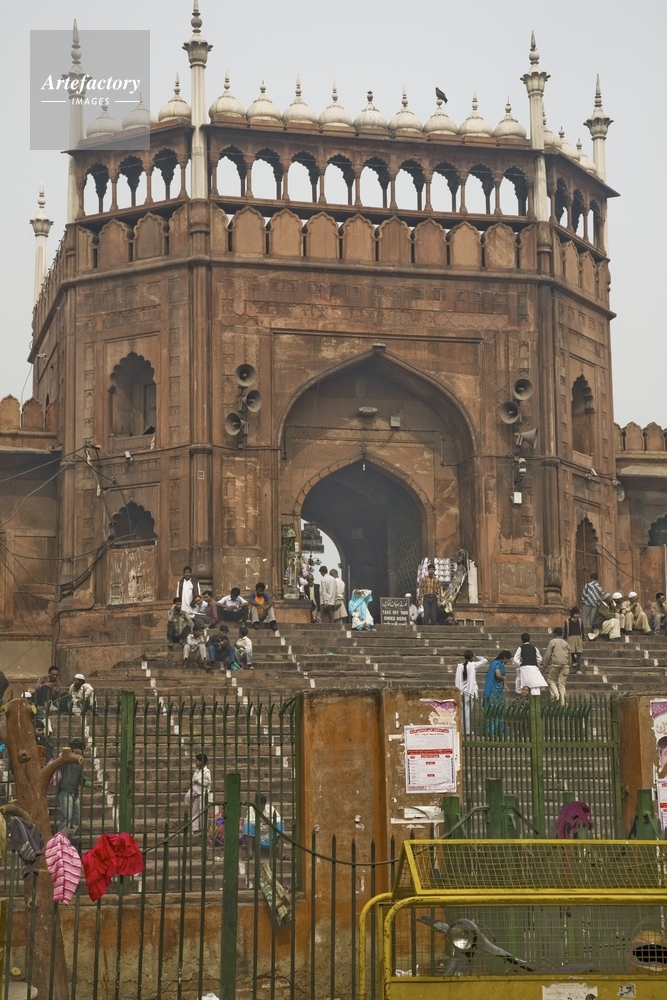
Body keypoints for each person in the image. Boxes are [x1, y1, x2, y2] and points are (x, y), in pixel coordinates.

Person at [56, 737, 94, 839]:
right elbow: (59, 760)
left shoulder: (79, 762)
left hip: (75, 794)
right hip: (65, 791)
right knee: (66, 819)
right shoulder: (65, 759)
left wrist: (92, 785)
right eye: (79, 749)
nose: (81, 751)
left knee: (75, 822)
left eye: (81, 749)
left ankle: (66, 842)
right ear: (74, 749)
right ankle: (58, 842)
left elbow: (81, 780)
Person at [454, 650, 487, 734]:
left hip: (461, 691)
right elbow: (485, 660)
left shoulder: (460, 667)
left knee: (463, 711)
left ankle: (463, 729)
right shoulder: (473, 665)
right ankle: (466, 730)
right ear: (472, 657)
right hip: (470, 692)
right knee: (467, 712)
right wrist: (476, 657)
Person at [243, 794, 284, 859]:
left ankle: (281, 854)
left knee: (280, 825)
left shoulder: (270, 808)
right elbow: (247, 821)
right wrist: (259, 820)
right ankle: (249, 854)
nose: (255, 806)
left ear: (263, 804)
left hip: (270, 835)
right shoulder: (251, 809)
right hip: (256, 836)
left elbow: (280, 820)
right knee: (247, 826)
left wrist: (268, 821)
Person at [482, 650, 511, 735]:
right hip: (494, 690)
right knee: (494, 710)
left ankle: (497, 729)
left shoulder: (499, 664)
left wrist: (504, 684)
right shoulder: (497, 664)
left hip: (498, 689)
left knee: (498, 709)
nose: (508, 661)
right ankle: (492, 730)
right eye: (508, 659)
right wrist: (503, 678)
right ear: (505, 658)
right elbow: (498, 674)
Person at [543, 627, 571, 704]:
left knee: (550, 680)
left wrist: (544, 666)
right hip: (565, 664)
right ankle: (563, 703)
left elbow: (548, 655)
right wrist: (569, 664)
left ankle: (556, 696)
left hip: (555, 664)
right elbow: (569, 656)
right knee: (562, 685)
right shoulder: (566, 643)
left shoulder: (553, 641)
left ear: (555, 634)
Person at [185, 753, 211, 833]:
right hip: (196, 793)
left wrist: (199, 782)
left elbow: (208, 782)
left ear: (201, 762)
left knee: (202, 810)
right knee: (194, 811)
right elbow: (193, 780)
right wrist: (193, 782)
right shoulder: (196, 772)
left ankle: (204, 828)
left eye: (196, 761)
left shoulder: (206, 771)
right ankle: (195, 828)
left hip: (203, 793)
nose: (195, 763)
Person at [580, 572, 605, 637]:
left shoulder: (588, 585)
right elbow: (601, 597)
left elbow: (584, 594)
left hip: (587, 603)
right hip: (595, 605)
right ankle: (591, 631)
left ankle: (584, 631)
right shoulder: (600, 588)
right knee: (593, 619)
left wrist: (583, 600)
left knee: (584, 618)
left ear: (591, 578)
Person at [564, 606, 584, 672]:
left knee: (579, 652)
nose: (577, 615)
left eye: (578, 614)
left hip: (579, 638)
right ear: (572, 614)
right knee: (571, 651)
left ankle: (578, 666)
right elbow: (566, 631)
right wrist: (565, 639)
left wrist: (583, 639)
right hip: (571, 637)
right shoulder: (567, 621)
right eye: (576, 614)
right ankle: (574, 660)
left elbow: (582, 630)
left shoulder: (580, 621)